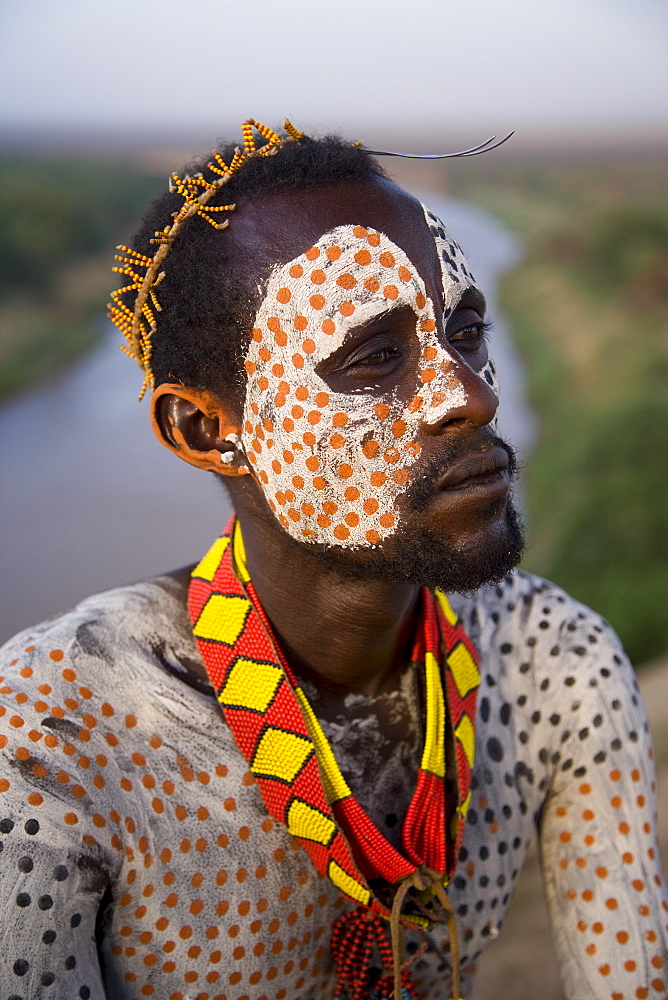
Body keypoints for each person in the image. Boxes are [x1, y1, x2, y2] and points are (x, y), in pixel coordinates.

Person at [0, 120, 665, 1000]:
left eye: (463, 331)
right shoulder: (51, 735)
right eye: (375, 359)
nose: (471, 395)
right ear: (207, 431)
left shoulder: (554, 662)